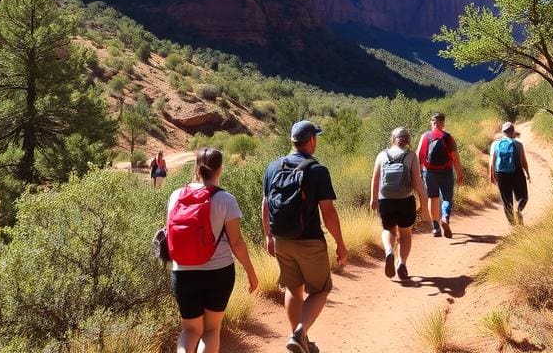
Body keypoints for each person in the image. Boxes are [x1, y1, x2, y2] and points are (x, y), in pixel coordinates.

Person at [263, 120, 348, 353]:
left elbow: (266, 204)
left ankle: (301, 340)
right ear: (311, 140)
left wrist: (268, 236)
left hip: (281, 239)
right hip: (309, 240)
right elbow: (328, 212)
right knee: (320, 290)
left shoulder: (273, 168)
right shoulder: (317, 170)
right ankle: (299, 333)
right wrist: (340, 243)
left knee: (293, 288)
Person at [166, 147, 259, 353]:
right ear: (220, 169)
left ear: (196, 169)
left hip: (183, 272)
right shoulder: (226, 199)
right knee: (211, 330)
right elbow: (237, 243)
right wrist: (251, 272)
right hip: (218, 272)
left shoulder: (175, 196)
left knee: (189, 330)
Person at [369, 126, 428, 281]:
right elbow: (417, 183)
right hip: (405, 200)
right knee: (405, 233)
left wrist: (373, 199)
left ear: (392, 139)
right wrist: (424, 202)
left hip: (385, 199)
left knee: (389, 230)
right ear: (407, 140)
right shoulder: (411, 156)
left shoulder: (382, 155)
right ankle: (402, 264)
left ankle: (389, 251)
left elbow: (375, 179)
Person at [417, 112, 464, 238]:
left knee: (432, 198)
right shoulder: (448, 137)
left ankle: (436, 227)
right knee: (447, 198)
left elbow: (419, 156)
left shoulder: (425, 136)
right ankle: (445, 217)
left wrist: (418, 173)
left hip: (429, 172)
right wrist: (460, 174)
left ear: (432, 123)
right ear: (443, 124)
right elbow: (455, 158)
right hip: (446, 171)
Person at [490, 121, 530, 226]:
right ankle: (518, 209)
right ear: (513, 132)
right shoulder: (518, 144)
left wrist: (492, 175)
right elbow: (523, 161)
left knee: (507, 200)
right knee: (523, 196)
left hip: (501, 174)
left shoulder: (495, 144)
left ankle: (513, 225)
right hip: (517, 172)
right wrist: (527, 173)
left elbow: (492, 161)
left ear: (503, 132)